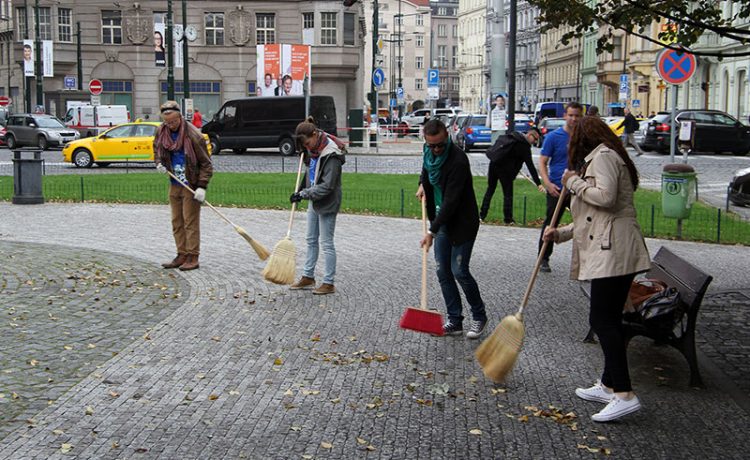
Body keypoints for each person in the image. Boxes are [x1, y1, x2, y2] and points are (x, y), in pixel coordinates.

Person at [542, 115, 651, 423]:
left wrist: (572, 181)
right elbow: (592, 218)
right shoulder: (603, 156)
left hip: (615, 250)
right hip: (612, 246)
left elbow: (605, 198)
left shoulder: (602, 157)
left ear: (583, 139)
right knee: (609, 319)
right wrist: (560, 234)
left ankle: (624, 394)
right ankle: (608, 384)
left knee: (602, 320)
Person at [416, 119, 488, 339]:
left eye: (439, 144)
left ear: (446, 136)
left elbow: (451, 202)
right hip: (441, 220)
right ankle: (455, 320)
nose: (436, 150)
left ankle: (479, 316)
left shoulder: (457, 160)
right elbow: (426, 170)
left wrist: (432, 230)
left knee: (459, 271)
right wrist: (422, 183)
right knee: (442, 270)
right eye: (431, 145)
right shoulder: (429, 154)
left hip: (462, 223)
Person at [289, 117, 346, 295]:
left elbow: (327, 186)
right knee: (311, 240)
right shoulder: (313, 151)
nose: (307, 147)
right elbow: (311, 173)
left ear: (314, 135)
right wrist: (300, 190)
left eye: (307, 143)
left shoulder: (332, 154)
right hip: (314, 199)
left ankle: (328, 282)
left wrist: (304, 194)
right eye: (304, 145)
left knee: (326, 243)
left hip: (327, 202)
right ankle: (308, 276)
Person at [154, 100, 213, 271]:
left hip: (191, 183)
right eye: (167, 122)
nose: (170, 125)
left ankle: (193, 256)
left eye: (173, 121)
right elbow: (156, 149)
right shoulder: (161, 131)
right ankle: (181, 254)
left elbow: (207, 164)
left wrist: (202, 186)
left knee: (190, 222)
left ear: (180, 117)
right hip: (175, 182)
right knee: (177, 221)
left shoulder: (194, 135)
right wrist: (159, 163)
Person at [537, 102, 582, 272]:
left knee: (583, 223)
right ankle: (543, 257)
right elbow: (542, 161)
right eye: (570, 115)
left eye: (577, 115)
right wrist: (547, 184)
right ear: (565, 116)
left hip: (577, 188)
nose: (573, 119)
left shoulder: (583, 137)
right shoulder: (554, 137)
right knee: (551, 222)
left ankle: (583, 261)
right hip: (556, 187)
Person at [480, 128, 545, 224]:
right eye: (535, 139)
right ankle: (508, 219)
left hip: (494, 163)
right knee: (508, 195)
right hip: (505, 171)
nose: (534, 142)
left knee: (490, 190)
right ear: (530, 135)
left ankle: (481, 216)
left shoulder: (513, 136)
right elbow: (530, 166)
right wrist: (538, 183)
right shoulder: (524, 146)